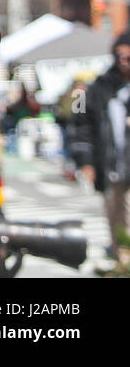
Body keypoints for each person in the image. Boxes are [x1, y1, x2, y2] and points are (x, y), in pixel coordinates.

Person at [88, 33, 130, 262]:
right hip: (111, 164)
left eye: (128, 56)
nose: (123, 60)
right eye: (119, 55)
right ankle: (120, 258)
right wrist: (85, 160)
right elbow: (83, 123)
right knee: (114, 216)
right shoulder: (100, 87)